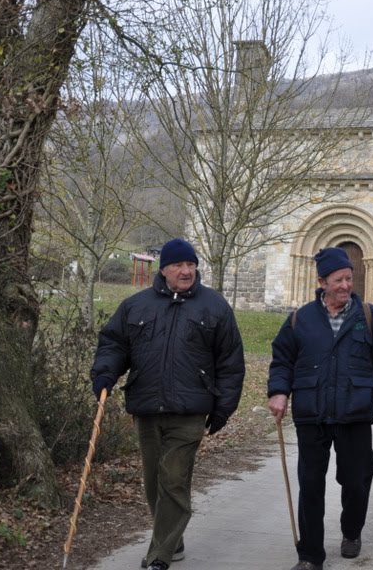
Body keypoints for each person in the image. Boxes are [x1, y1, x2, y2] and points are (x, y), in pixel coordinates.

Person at [91, 238, 245, 570]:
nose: (186, 271)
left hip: (190, 410)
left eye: (191, 265)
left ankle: (159, 556)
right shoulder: (136, 306)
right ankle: (173, 538)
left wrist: (223, 408)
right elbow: (114, 345)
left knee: (173, 478)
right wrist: (104, 374)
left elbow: (231, 362)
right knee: (153, 481)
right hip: (147, 406)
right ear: (163, 270)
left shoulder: (215, 307)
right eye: (178, 265)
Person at [267, 247, 373, 570]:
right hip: (311, 415)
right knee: (310, 485)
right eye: (338, 280)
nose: (345, 285)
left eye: (348, 278)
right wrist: (279, 392)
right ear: (322, 282)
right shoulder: (300, 319)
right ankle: (310, 555)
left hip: (354, 413)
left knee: (356, 480)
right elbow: (282, 360)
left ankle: (351, 531)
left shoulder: (369, 318)